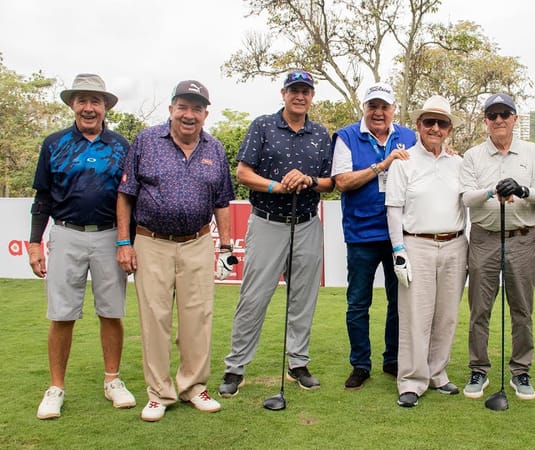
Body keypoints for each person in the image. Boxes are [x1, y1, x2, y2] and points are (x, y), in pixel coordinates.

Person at [116, 80, 235, 422]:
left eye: (196, 108)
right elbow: (126, 193)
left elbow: (222, 202)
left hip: (198, 242)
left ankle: (194, 387)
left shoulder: (214, 149)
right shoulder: (146, 141)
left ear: (205, 114)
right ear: (171, 109)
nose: (189, 114)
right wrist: (124, 242)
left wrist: (225, 245)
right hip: (151, 241)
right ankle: (159, 394)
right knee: (155, 319)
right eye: (183, 106)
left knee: (198, 318)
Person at [218, 70, 333, 397]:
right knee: (253, 298)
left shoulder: (320, 134)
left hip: (308, 222)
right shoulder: (263, 125)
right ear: (283, 93)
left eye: (306, 91)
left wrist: (309, 181)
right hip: (268, 221)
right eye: (294, 90)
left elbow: (331, 181)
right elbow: (243, 172)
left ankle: (298, 362)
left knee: (303, 298)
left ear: (312, 96)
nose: (300, 96)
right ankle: (235, 367)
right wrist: (276, 186)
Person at [29, 73, 136, 420]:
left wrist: (127, 242)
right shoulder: (54, 143)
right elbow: (42, 197)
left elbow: (129, 197)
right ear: (73, 104)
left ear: (106, 107)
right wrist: (34, 243)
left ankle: (113, 380)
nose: (89, 108)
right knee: (61, 314)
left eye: (96, 101)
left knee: (111, 311)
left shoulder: (121, 145)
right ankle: (56, 387)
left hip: (109, 235)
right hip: (66, 233)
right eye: (83, 100)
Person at [459, 93, 535, 400]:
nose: (499, 120)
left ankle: (521, 371)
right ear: (485, 121)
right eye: (493, 116)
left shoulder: (534, 152)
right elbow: (466, 197)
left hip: (521, 238)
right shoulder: (473, 156)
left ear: (515, 118)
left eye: (505, 114)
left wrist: (521, 189)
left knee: (522, 308)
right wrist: (490, 191)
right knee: (479, 309)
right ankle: (478, 368)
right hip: (484, 236)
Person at [331, 82, 416, 390]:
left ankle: (393, 359)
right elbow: (342, 182)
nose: (379, 112)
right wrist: (383, 164)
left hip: (399, 234)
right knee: (357, 303)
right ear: (364, 108)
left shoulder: (409, 136)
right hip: (361, 234)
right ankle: (360, 364)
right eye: (373, 106)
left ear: (394, 109)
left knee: (399, 302)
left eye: (384, 106)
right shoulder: (347, 137)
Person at [385, 95, 467, 408]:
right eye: (429, 122)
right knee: (415, 315)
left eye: (441, 123)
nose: (435, 128)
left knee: (446, 315)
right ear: (419, 125)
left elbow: (466, 207)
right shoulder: (404, 161)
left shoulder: (459, 163)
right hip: (416, 243)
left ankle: (438, 374)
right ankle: (411, 380)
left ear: (448, 130)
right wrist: (399, 249)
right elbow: (394, 209)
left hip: (455, 243)